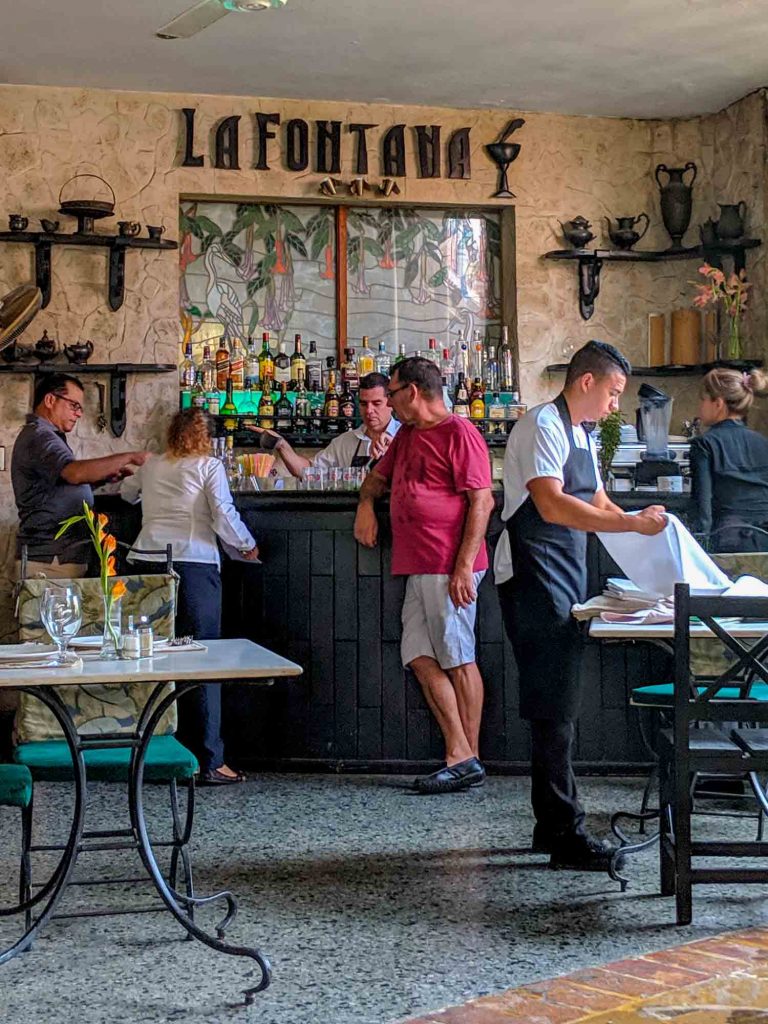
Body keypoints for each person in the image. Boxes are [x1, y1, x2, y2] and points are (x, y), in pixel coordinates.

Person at [494, 340, 667, 871]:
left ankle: (552, 827)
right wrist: (628, 525)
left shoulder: (583, 433)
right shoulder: (542, 425)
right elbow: (549, 501)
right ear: (586, 382)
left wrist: (641, 521)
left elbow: (594, 500)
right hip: (533, 573)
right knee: (553, 704)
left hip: (565, 570)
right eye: (613, 394)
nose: (616, 405)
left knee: (560, 702)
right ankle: (564, 833)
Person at [354, 358, 494, 794]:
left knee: (458, 658)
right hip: (418, 564)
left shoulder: (460, 433)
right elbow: (375, 482)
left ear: (412, 392)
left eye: (392, 394)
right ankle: (462, 755)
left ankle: (466, 758)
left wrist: (462, 568)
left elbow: (482, 503)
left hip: (449, 565)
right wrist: (364, 508)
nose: (390, 404)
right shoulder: (408, 437)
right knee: (417, 655)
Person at [120, 408, 259, 786]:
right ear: (205, 436)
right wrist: (246, 546)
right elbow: (223, 515)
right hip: (192, 566)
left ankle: (153, 755)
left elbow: (125, 493)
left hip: (145, 564)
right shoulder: (208, 466)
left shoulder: (151, 465)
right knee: (202, 661)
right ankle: (211, 761)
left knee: (147, 662)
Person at [11, 372, 149, 579]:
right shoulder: (40, 437)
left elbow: (60, 485)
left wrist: (102, 479)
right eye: (74, 406)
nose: (78, 414)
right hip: (49, 558)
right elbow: (74, 473)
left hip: (57, 557)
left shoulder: (47, 436)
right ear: (50, 400)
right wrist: (130, 456)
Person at [250, 373, 399, 476]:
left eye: (377, 403)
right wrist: (282, 445)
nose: (369, 410)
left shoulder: (405, 436)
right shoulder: (345, 442)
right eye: (364, 404)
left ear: (391, 402)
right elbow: (309, 471)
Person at [689, 366, 768, 552]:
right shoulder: (764, 443)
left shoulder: (704, 444)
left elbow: (703, 508)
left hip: (726, 540)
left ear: (718, 403)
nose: (700, 407)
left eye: (703, 400)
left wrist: (699, 548)